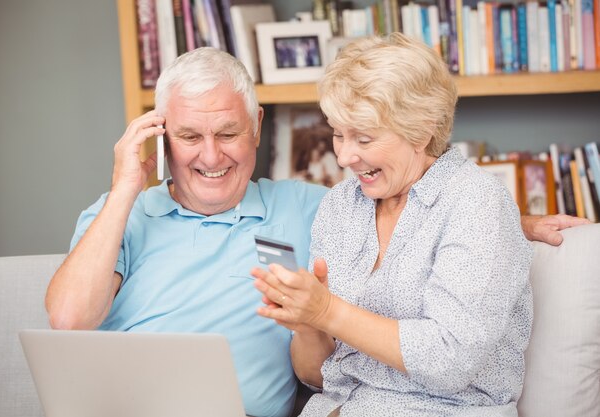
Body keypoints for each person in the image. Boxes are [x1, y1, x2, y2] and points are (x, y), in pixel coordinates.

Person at [45, 46, 586, 417]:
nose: (210, 156)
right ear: (162, 136)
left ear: (256, 126)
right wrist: (124, 187)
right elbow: (69, 319)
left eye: (228, 132)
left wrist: (518, 223)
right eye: (189, 136)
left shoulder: (304, 206)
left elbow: (434, 214)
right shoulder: (125, 214)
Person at [251, 34, 588, 417]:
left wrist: (327, 310)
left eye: (363, 137)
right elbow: (319, 377)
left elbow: (449, 360)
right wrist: (306, 320)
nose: (344, 156)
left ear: (422, 130)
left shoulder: (475, 202)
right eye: (337, 133)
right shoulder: (340, 206)